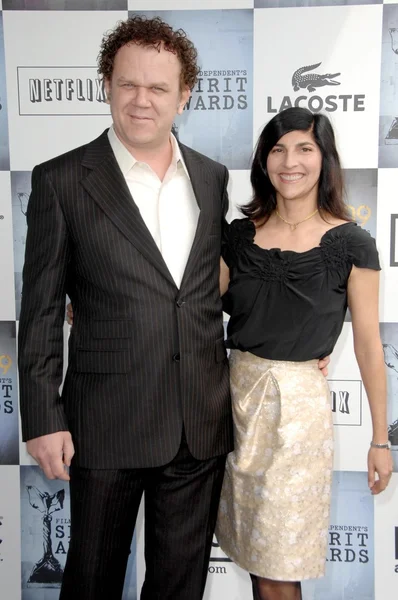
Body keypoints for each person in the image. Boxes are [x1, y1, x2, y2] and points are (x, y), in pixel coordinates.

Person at [18, 15, 234, 600]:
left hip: (199, 417)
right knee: (91, 581)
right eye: (128, 84)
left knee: (179, 586)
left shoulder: (213, 180)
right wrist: (41, 417)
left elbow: (215, 286)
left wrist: (298, 346)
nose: (142, 100)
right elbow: (38, 309)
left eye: (159, 87)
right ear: (106, 84)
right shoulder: (61, 180)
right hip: (105, 421)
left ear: (184, 95)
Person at [215, 107, 393, 600]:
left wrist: (380, 439)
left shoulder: (351, 245)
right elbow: (192, 307)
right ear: (263, 160)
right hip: (231, 408)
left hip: (297, 421)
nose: (289, 162)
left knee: (278, 565)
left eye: (304, 148)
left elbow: (368, 347)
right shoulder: (238, 235)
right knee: (255, 554)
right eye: (277, 149)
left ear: (324, 160)